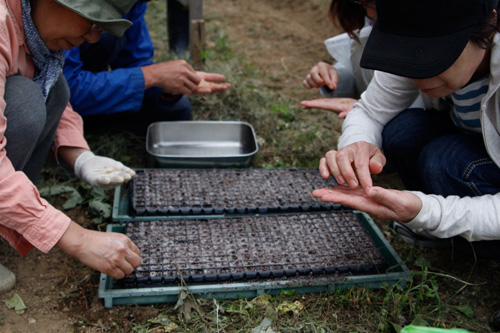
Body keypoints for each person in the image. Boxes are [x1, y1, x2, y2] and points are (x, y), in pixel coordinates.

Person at [313, 0, 500, 259]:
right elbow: (370, 111)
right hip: (477, 143)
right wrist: (357, 143)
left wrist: (428, 212)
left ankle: (475, 242)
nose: (417, 77)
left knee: (444, 158)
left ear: (489, 25)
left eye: (433, 56)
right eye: (408, 53)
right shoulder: (416, 29)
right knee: (402, 130)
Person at [0, 0, 143, 293]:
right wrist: (78, 239)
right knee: (25, 104)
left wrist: (80, 156)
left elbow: (52, 92)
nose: (92, 37)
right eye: (89, 21)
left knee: (55, 89)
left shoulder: (32, 32)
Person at [63, 0, 230, 135]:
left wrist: (168, 85)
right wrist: (151, 76)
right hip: (59, 100)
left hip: (85, 90)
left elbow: (135, 58)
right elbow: (64, 89)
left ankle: (88, 122)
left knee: (175, 111)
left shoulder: (134, 3)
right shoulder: (71, 8)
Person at [300, 0, 377, 119]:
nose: (369, 13)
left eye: (371, 4)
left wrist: (372, 111)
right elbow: (361, 74)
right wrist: (334, 76)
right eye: (364, 4)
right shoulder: (366, 24)